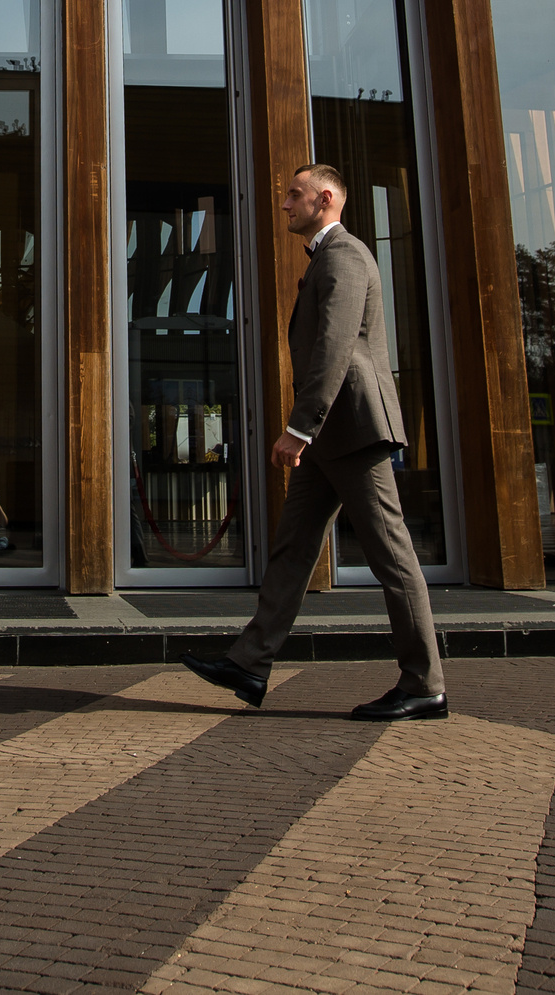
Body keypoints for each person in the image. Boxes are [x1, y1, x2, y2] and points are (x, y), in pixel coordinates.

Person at [181, 164, 448, 722]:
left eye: (293, 195)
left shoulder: (345, 256)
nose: (284, 204)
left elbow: (335, 345)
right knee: (293, 547)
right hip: (333, 435)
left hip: (351, 430)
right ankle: (250, 664)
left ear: (325, 199)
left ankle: (424, 683)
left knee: (391, 558)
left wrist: (301, 426)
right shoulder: (327, 258)